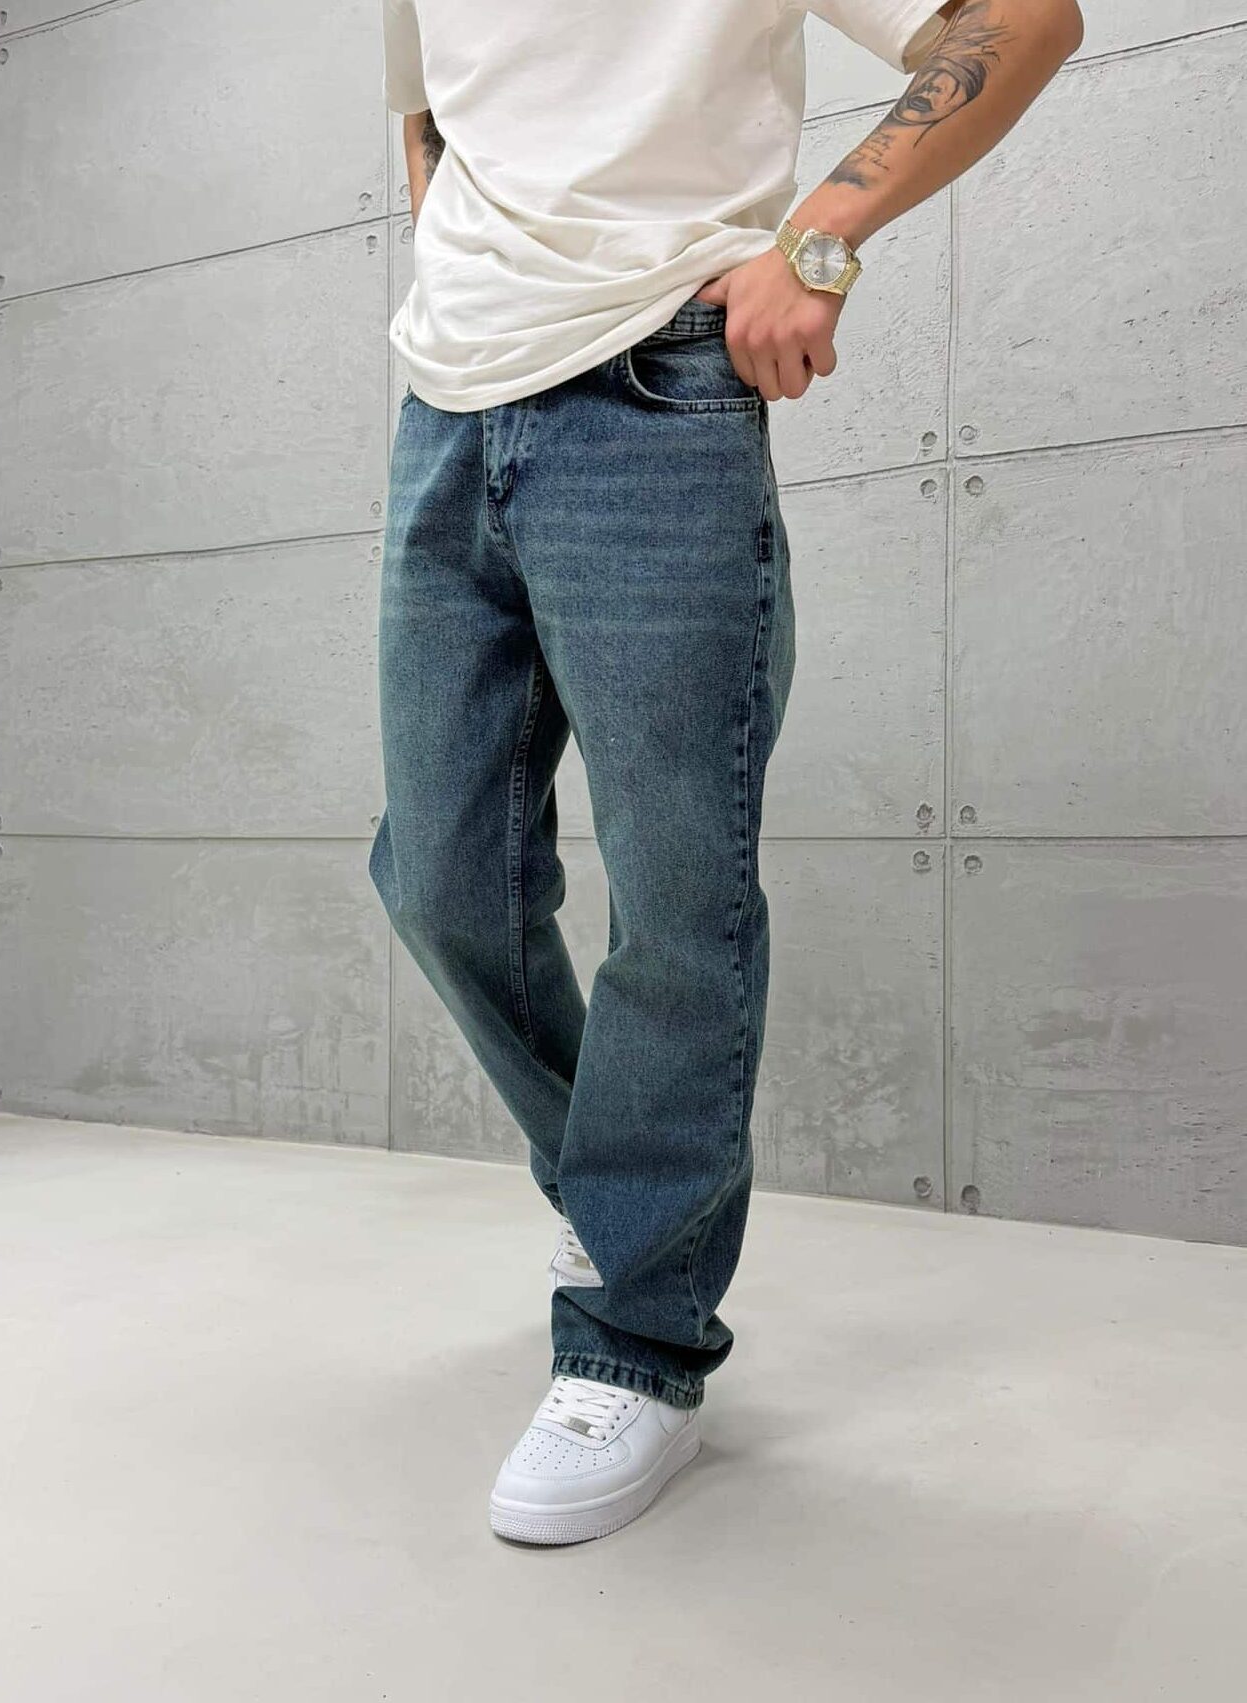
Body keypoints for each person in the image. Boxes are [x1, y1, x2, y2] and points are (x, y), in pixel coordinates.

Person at [370, 0, 1083, 1545]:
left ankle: (638, 1340)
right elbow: (429, 113)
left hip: (654, 392)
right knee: (433, 879)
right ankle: (626, 1204)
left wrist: (817, 241)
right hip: (443, 414)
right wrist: (458, 284)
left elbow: (1018, 17)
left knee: (677, 898)